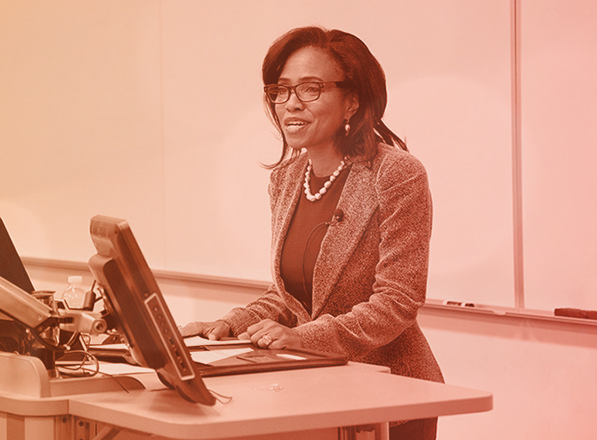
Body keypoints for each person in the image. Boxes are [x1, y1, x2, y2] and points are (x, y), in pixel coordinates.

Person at [180, 26, 444, 440]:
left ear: (352, 100)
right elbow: (293, 297)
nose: (290, 105)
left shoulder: (395, 174)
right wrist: (230, 324)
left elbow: (397, 301)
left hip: (391, 396)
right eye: (281, 91)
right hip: (318, 393)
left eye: (310, 89)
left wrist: (302, 338)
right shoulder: (287, 178)